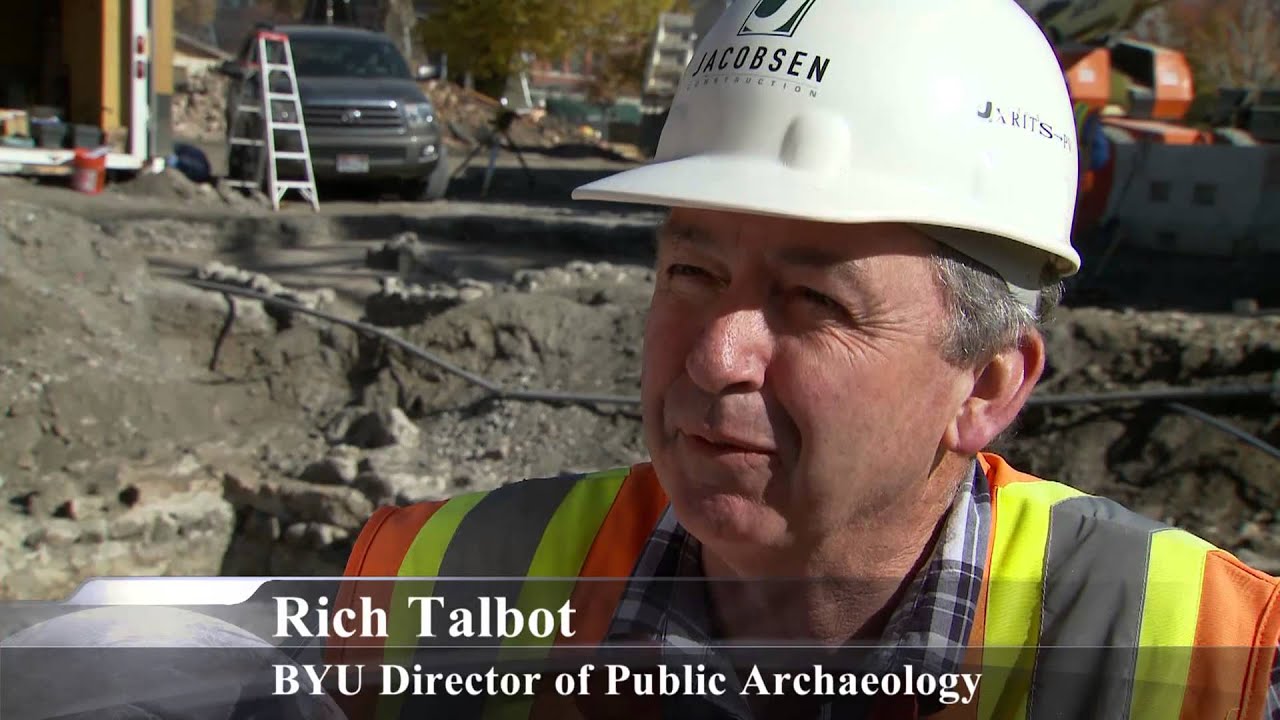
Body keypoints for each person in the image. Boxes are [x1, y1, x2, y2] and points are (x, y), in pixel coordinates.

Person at [330, 0, 1280, 718]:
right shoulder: (424, 587)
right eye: (691, 272)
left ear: (986, 385)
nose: (714, 353)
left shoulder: (1213, 660)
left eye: (814, 300)